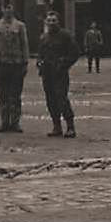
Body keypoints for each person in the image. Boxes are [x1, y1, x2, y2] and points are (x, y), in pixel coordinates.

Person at [0, 0, 30, 133]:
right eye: (5, 8)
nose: (8, 10)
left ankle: (15, 122)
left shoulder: (20, 26)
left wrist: (25, 62)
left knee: (15, 95)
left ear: (13, 10)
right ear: (2, 9)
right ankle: (4, 122)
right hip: (0, 64)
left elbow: (24, 44)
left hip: (16, 65)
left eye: (10, 8)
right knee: (2, 95)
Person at [37, 10, 79, 138]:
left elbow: (75, 53)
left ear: (58, 21)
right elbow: (40, 54)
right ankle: (56, 126)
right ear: (46, 22)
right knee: (50, 100)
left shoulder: (65, 36)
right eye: (49, 21)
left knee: (62, 99)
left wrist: (63, 64)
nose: (51, 23)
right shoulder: (44, 38)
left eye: (54, 20)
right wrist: (39, 63)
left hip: (60, 73)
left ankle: (70, 126)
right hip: (47, 73)